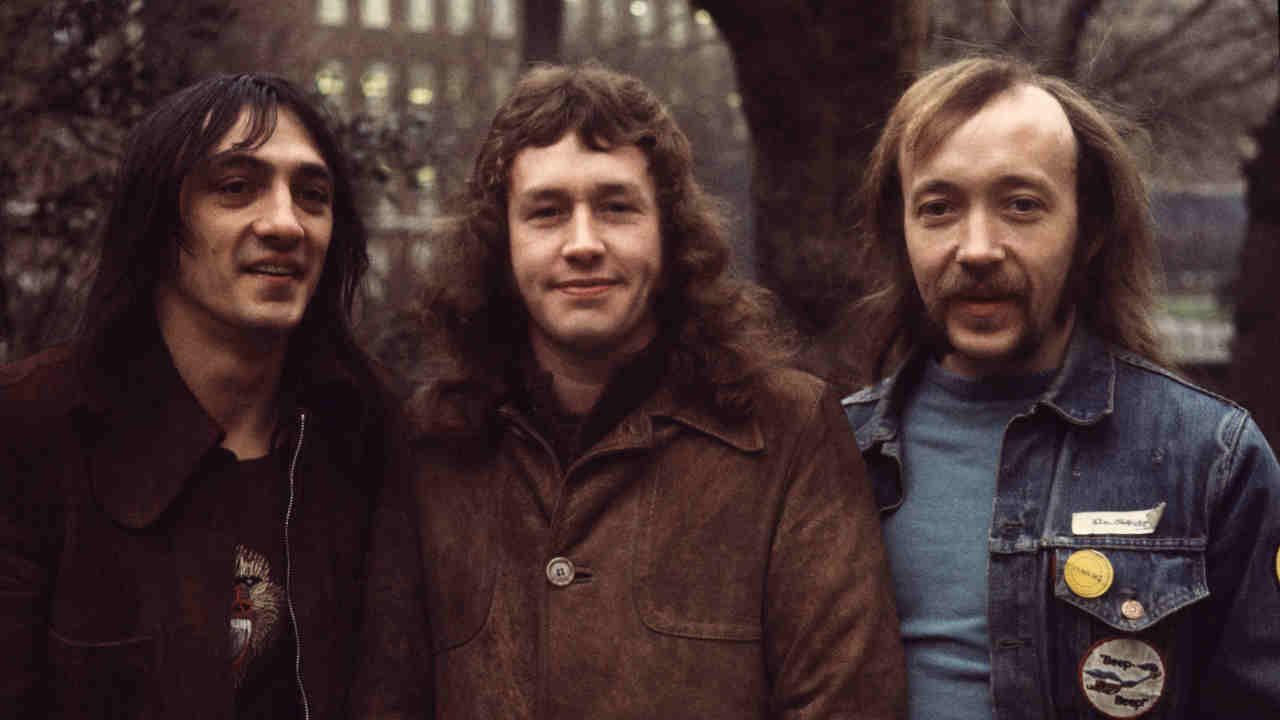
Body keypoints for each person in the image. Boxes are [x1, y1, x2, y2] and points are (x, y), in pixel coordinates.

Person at [353, 62, 905, 719]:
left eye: (616, 208)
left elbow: (847, 703)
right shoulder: (432, 442)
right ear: (502, 243)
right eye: (547, 212)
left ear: (669, 233)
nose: (583, 244)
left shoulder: (786, 428)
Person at [841, 55, 1280, 719]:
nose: (978, 247)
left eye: (1021, 205)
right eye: (938, 208)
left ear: (1090, 229)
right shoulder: (829, 456)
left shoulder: (1213, 462)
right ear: (901, 231)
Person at [0, 73, 397, 718]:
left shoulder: (362, 433)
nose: (284, 223)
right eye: (236, 187)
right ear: (158, 221)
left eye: (313, 195)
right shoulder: (31, 427)